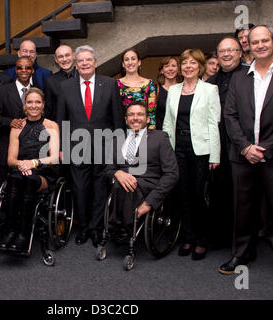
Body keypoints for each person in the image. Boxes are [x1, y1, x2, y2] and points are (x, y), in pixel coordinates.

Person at [220, 25, 273, 292]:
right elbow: (230, 116)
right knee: (242, 210)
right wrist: (246, 147)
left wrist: (265, 147)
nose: (259, 45)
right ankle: (242, 254)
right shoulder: (239, 77)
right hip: (242, 156)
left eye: (264, 41)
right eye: (255, 42)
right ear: (249, 46)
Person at [56, 45, 125, 247]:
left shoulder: (110, 84)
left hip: (104, 146)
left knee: (100, 189)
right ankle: (83, 227)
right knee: (79, 189)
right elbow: (61, 119)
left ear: (95, 62)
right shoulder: (65, 87)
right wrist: (61, 147)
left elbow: (117, 118)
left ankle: (96, 229)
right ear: (76, 65)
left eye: (88, 60)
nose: (85, 63)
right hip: (75, 147)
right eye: (81, 61)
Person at [162, 48, 221, 261]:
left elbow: (214, 124)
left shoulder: (210, 90)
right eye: (184, 62)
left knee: (199, 196)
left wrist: (215, 155)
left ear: (200, 67)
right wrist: (166, 151)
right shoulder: (174, 90)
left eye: (192, 63)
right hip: (178, 148)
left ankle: (202, 239)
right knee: (183, 195)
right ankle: (188, 236)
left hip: (202, 150)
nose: (188, 66)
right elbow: (168, 123)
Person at [105, 101, 179, 242]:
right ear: (126, 120)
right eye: (131, 115)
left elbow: (172, 174)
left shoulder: (160, 138)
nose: (135, 118)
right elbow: (108, 169)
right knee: (122, 184)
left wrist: (149, 203)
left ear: (148, 119)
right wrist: (117, 173)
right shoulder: (117, 139)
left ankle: (118, 226)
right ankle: (122, 227)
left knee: (127, 186)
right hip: (121, 186)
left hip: (148, 185)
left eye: (140, 114)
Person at [0, 88, 60, 251]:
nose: (34, 106)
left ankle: (24, 235)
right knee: (16, 178)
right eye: (30, 102)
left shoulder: (51, 126)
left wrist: (33, 163)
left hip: (44, 172)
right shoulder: (17, 126)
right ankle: (10, 232)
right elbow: (11, 159)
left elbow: (54, 158)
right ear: (25, 105)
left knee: (29, 180)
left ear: (43, 105)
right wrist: (22, 164)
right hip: (20, 170)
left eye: (37, 102)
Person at [206, 36, 244, 249]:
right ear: (217, 56)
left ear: (240, 52)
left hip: (243, 146)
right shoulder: (211, 83)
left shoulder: (250, 78)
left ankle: (243, 242)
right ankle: (222, 237)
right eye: (222, 51)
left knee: (243, 195)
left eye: (232, 50)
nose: (227, 54)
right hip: (218, 147)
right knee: (219, 192)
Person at [0, 57, 34, 186]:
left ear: (33, 70)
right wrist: (9, 122)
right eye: (20, 67)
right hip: (8, 149)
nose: (23, 70)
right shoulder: (2, 91)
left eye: (27, 67)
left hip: (31, 150)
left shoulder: (38, 91)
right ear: (15, 70)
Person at [116, 48, 157, 129]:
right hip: (121, 132)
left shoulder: (149, 84)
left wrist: (151, 134)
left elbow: (151, 114)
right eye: (127, 60)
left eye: (133, 59)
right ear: (123, 64)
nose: (130, 62)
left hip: (144, 132)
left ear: (139, 62)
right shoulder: (115, 85)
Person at [44, 44, 76, 121]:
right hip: (62, 126)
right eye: (60, 56)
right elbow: (49, 108)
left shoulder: (85, 76)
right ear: (56, 59)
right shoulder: (50, 81)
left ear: (74, 56)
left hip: (84, 125)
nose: (64, 59)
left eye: (67, 55)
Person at [155, 56, 182, 130]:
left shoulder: (185, 89)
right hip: (161, 131)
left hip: (180, 132)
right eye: (166, 66)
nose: (170, 69)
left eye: (173, 66)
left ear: (178, 69)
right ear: (162, 71)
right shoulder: (155, 89)